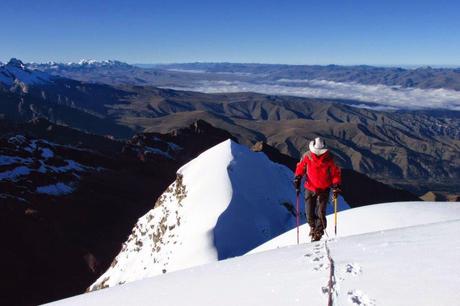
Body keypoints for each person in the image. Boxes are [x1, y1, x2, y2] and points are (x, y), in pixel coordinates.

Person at [294, 137, 342, 242]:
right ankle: (313, 227)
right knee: (309, 212)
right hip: (310, 187)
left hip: (323, 188)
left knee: (321, 212)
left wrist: (336, 185)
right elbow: (301, 167)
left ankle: (318, 232)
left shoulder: (329, 158)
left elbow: (335, 173)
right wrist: (298, 177)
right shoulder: (307, 156)